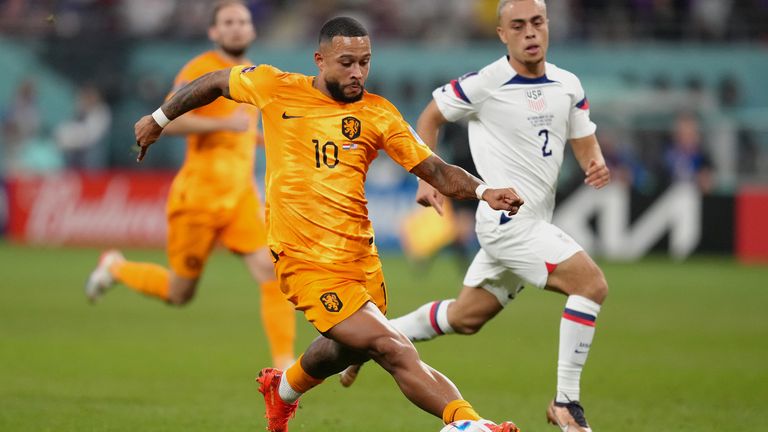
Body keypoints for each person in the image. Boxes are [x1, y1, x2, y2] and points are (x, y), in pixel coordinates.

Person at [134, 16, 525, 432]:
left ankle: (282, 389)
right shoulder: (275, 87)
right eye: (346, 62)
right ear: (319, 60)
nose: (357, 72)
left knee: (346, 348)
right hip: (303, 260)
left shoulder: (378, 114)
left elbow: (436, 169)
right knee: (390, 346)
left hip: (359, 260)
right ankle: (468, 424)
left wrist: (484, 192)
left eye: (364, 62)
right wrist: (158, 119)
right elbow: (213, 81)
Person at [341, 1, 609, 431]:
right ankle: (566, 403)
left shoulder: (568, 85)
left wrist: (595, 161)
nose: (530, 33)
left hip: (535, 221)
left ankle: (370, 341)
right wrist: (425, 177)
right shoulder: (486, 83)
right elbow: (429, 116)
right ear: (502, 34)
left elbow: (583, 136)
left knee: (465, 317)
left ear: (547, 25)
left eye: (537, 22)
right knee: (590, 284)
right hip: (506, 222)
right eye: (518, 26)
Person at [85, 0, 296, 370]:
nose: (235, 28)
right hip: (198, 196)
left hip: (240, 197)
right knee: (179, 293)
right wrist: (221, 125)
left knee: (271, 271)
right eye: (227, 22)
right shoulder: (199, 71)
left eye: (242, 21)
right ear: (214, 32)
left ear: (252, 30)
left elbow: (243, 131)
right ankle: (115, 266)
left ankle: (284, 363)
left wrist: (266, 138)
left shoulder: (254, 74)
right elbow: (164, 122)